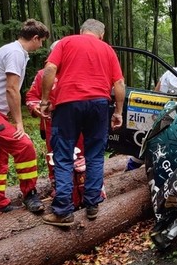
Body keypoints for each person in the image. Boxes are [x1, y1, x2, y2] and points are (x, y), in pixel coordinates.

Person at [40, 18, 125, 226]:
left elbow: (50, 69)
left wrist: (44, 100)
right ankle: (92, 204)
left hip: (68, 103)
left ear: (81, 31)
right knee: (95, 155)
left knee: (63, 155)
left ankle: (63, 210)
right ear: (101, 35)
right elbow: (119, 83)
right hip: (99, 104)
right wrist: (118, 112)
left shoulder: (66, 42)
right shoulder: (107, 49)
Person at [25, 40, 87, 205]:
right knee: (55, 158)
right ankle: (61, 192)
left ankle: (84, 192)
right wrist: (36, 107)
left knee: (80, 156)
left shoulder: (79, 73)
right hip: (52, 125)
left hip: (78, 126)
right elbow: (31, 97)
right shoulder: (42, 75)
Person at [0, 18, 49, 213]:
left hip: (1, 114)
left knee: (0, 156)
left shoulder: (11, 50)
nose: (41, 45)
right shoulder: (15, 53)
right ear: (35, 38)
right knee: (25, 146)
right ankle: (30, 194)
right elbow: (12, 89)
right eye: (41, 40)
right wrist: (19, 123)